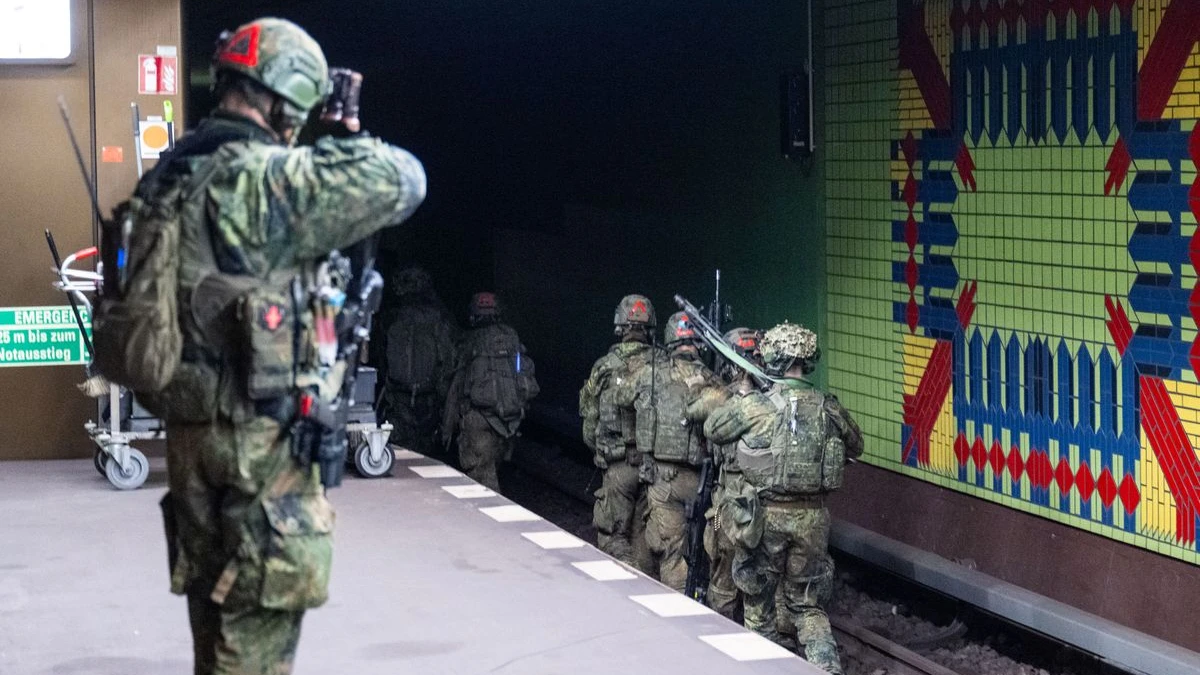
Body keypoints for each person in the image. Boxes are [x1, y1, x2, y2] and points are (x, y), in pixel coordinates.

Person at [148, 18, 426, 675]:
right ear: (284, 97)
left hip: (192, 439)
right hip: (261, 449)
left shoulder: (174, 171)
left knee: (214, 639)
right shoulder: (269, 181)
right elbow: (404, 181)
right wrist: (343, 141)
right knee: (254, 652)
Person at [704, 323, 862, 674]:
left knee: (759, 604)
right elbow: (856, 445)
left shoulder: (758, 406)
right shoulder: (828, 407)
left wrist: (745, 391)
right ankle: (827, 668)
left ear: (772, 359)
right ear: (808, 361)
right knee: (808, 606)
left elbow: (712, 428)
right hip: (814, 521)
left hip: (766, 520)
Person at [619, 311, 725, 590]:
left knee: (671, 551)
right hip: (704, 483)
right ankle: (712, 602)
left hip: (663, 483)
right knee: (710, 542)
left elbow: (622, 397)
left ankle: (679, 604)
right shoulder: (711, 379)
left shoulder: (651, 373)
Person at [579, 295, 658, 573]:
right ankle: (646, 588)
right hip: (653, 468)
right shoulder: (662, 366)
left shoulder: (604, 367)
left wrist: (600, 451)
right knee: (643, 537)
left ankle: (622, 584)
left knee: (612, 536)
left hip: (618, 465)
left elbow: (589, 421)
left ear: (619, 325)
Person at [443, 292, 538, 491]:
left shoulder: (468, 340)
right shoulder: (511, 336)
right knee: (493, 468)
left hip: (478, 418)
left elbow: (453, 382)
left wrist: (447, 425)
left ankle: (490, 518)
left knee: (482, 478)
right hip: (510, 418)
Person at [704, 327, 763, 619]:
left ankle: (722, 625)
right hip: (762, 507)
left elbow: (704, 426)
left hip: (725, 507)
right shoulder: (771, 403)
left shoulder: (723, 401)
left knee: (720, 559)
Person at [382, 265, 458, 456]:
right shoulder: (438, 318)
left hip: (405, 399)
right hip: (419, 399)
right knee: (423, 453)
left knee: (401, 453)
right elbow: (448, 358)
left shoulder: (392, 317)